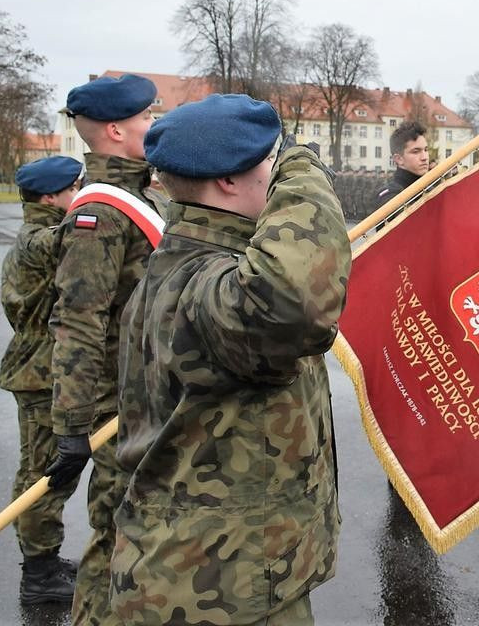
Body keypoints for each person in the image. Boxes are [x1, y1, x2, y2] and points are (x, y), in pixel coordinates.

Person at [108, 94, 350, 625]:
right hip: (218, 590)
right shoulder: (205, 284)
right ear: (228, 183)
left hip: (217, 575)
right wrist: (303, 165)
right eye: (268, 164)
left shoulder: (191, 263)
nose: (276, 173)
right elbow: (294, 303)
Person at [44, 73, 162, 626]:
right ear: (116, 130)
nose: (153, 125)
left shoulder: (141, 196)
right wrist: (70, 426)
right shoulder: (100, 214)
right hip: (118, 410)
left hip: (146, 399)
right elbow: (77, 321)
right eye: (145, 119)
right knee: (114, 536)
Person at [1, 155, 83, 604]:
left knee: (47, 472)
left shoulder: (35, 235)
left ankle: (45, 561)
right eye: (76, 188)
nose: (82, 195)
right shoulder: (41, 239)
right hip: (40, 375)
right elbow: (82, 234)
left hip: (43, 369)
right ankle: (39, 575)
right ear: (51, 198)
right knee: (42, 476)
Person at [378, 120, 430, 203]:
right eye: (416, 152)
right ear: (399, 159)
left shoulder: (431, 188)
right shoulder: (391, 196)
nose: (424, 157)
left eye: (426, 150)